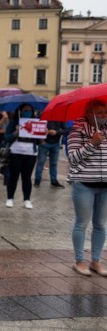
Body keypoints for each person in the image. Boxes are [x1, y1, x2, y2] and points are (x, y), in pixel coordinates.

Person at [67, 99, 107, 276]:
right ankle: (79, 261)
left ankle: (96, 261)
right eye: (99, 113)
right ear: (89, 114)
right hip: (84, 184)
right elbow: (73, 158)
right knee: (82, 223)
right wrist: (92, 143)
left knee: (100, 224)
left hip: (105, 185)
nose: (103, 116)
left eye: (105, 113)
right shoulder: (76, 132)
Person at [4, 104, 38, 209]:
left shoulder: (36, 123)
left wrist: (42, 133)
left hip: (30, 153)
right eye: (25, 110)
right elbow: (6, 138)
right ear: (20, 111)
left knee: (27, 178)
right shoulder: (14, 123)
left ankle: (27, 199)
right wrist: (16, 133)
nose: (27, 112)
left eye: (29, 110)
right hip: (16, 152)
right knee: (13, 176)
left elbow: (40, 142)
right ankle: (10, 198)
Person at [34, 120, 68, 188]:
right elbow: (36, 127)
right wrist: (40, 139)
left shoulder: (60, 118)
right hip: (44, 142)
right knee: (41, 162)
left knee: (54, 163)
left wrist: (57, 132)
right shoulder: (43, 116)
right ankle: (37, 181)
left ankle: (53, 180)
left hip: (55, 143)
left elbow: (66, 130)